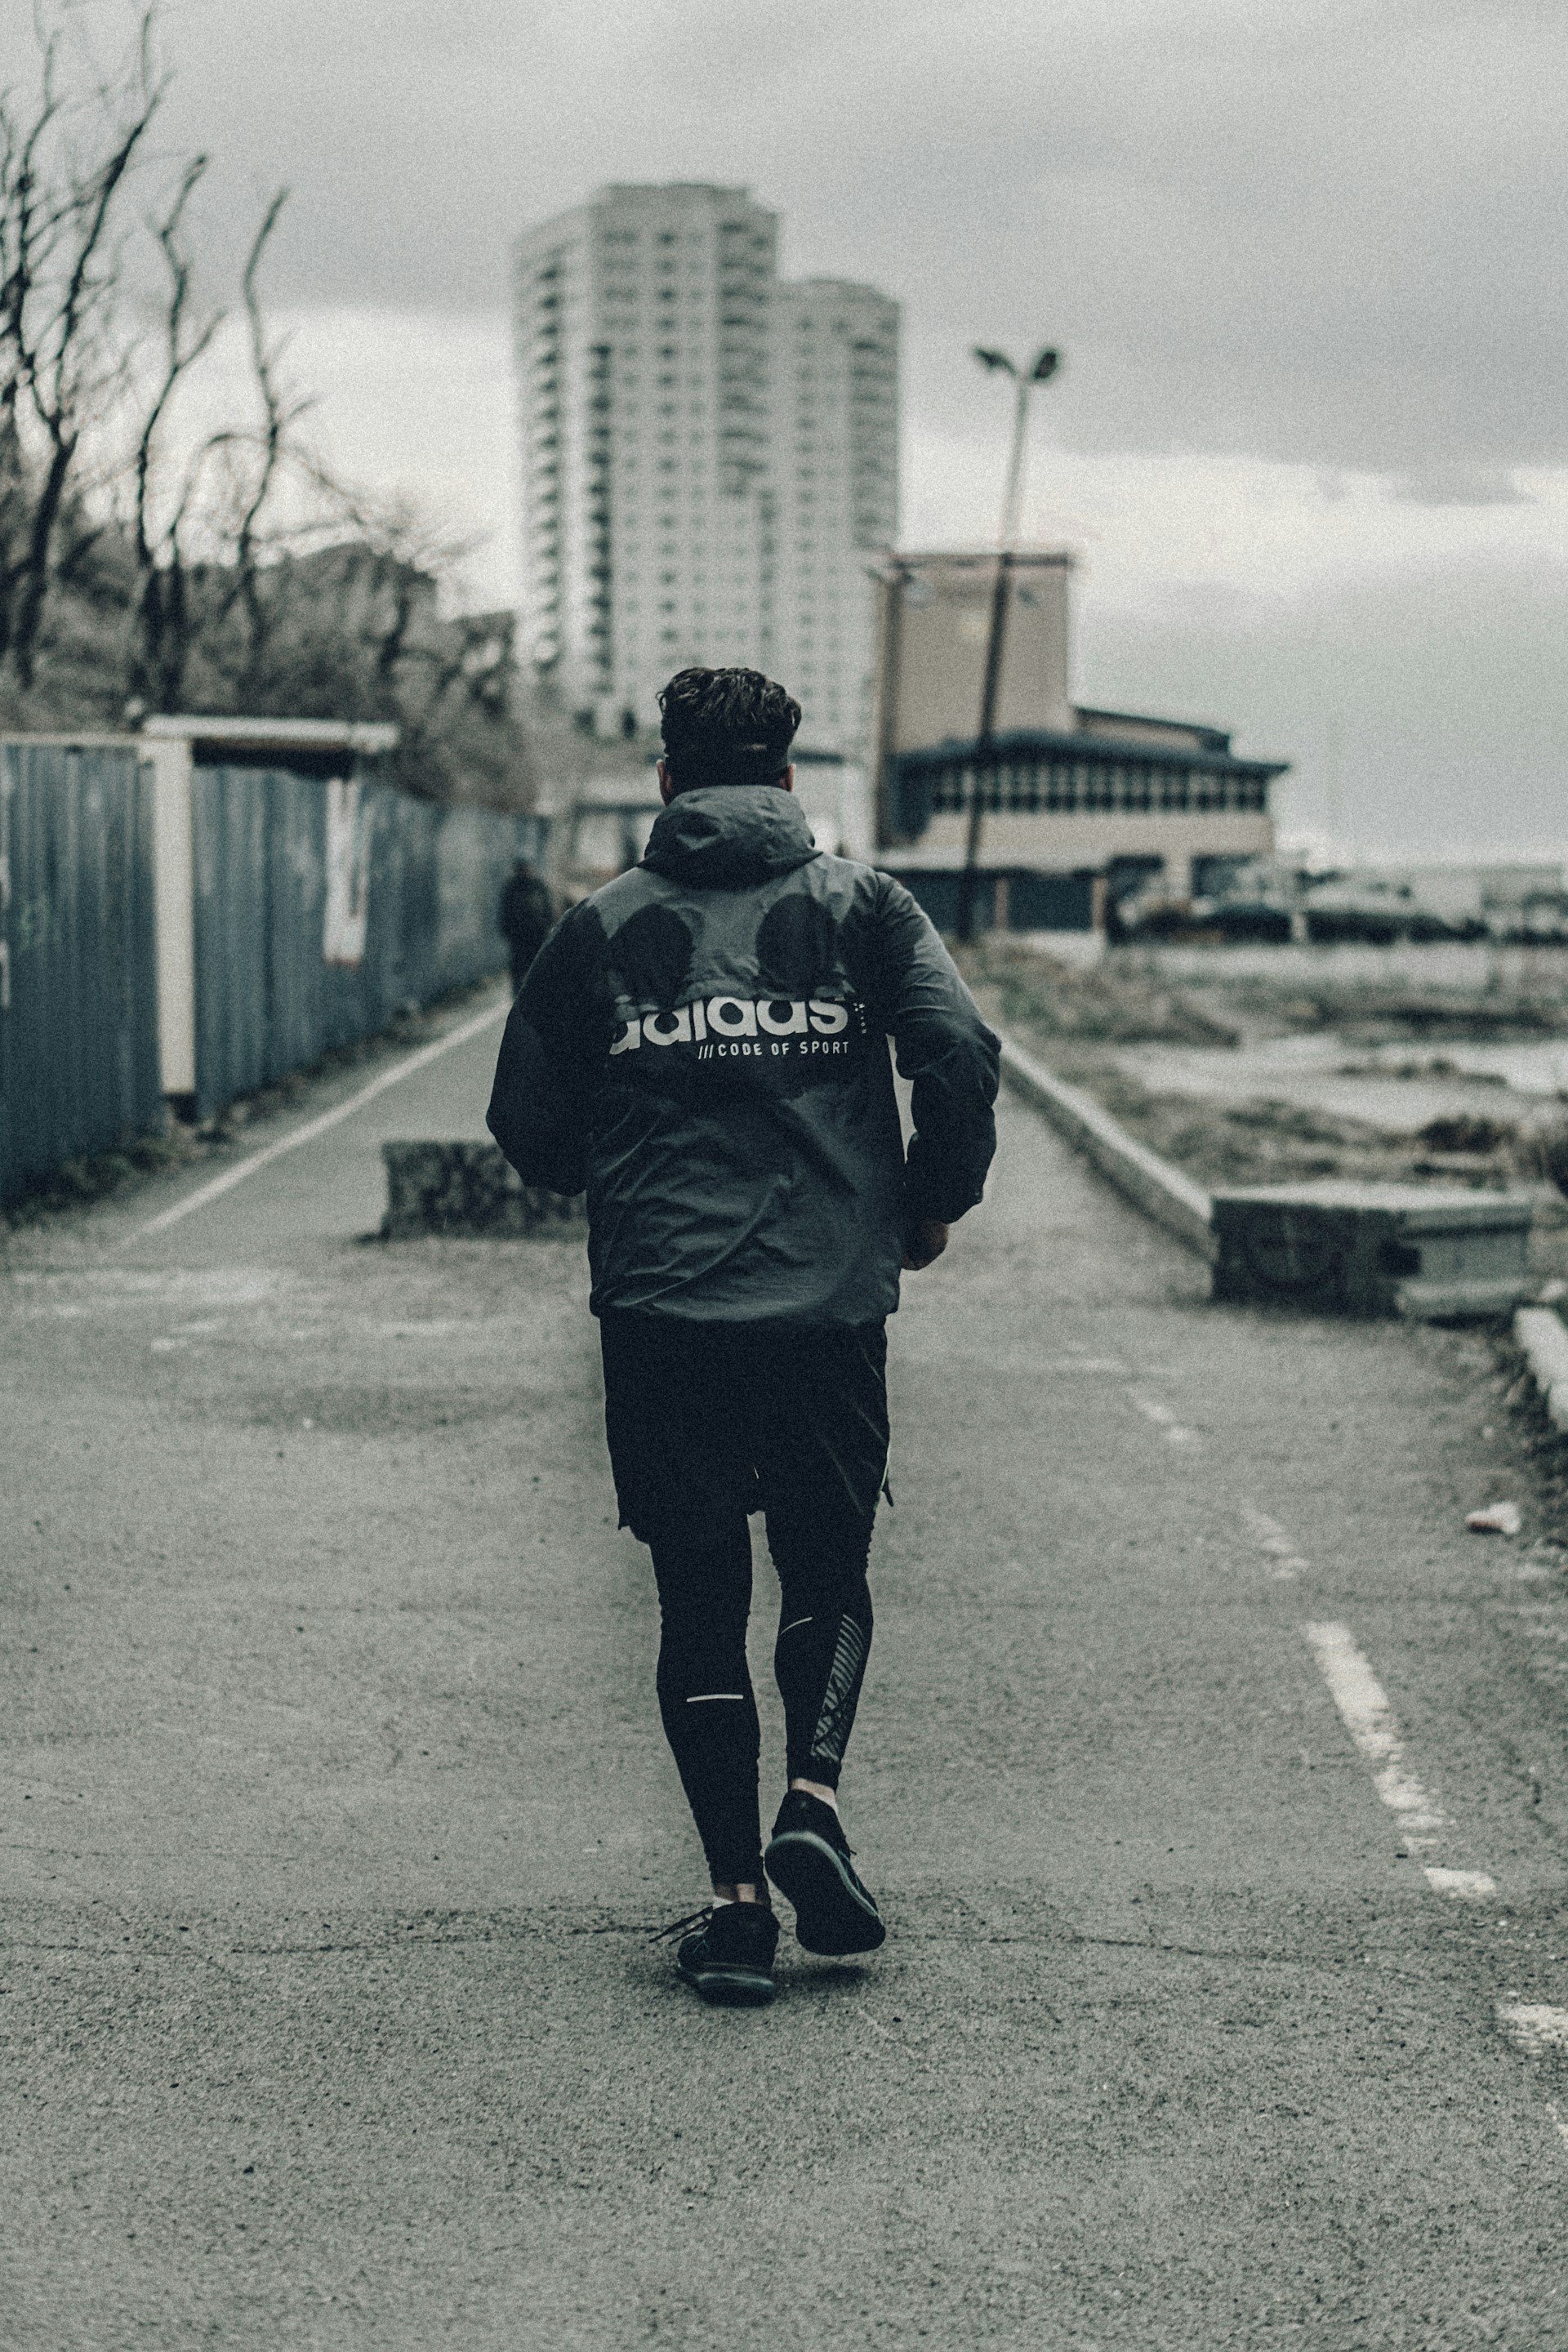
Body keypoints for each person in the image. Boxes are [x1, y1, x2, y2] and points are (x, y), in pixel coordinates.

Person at [487, 667, 999, 2006]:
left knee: (699, 1597)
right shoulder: (868, 910)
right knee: (826, 1572)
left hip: (664, 1316)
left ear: (665, 780)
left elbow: (526, 1123)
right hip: (830, 1308)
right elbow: (957, 1055)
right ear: (787, 780)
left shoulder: (600, 927)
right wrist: (928, 1207)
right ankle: (812, 1802)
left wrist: (617, 1175)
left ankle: (732, 1908)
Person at [498, 857, 555, 993]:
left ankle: (536, 995)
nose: (526, 871)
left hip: (537, 936)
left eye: (528, 868)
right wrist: (509, 932)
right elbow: (505, 913)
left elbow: (548, 910)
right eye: (523, 868)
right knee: (519, 970)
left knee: (537, 969)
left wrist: (546, 927)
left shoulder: (538, 887)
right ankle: (519, 998)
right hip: (518, 938)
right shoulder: (511, 888)